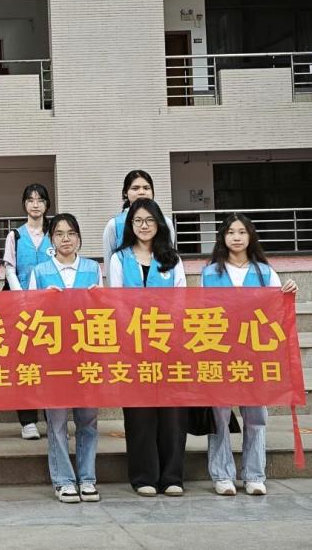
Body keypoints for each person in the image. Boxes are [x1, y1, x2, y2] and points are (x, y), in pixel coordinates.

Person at [201, 213, 298, 497]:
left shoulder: (265, 272)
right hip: (221, 352)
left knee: (256, 416)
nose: (236, 237)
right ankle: (222, 475)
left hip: (255, 355)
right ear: (223, 237)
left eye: (242, 232)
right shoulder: (210, 273)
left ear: (250, 236)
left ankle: (254, 475)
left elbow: (278, 309)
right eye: (231, 232)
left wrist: (288, 291)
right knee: (219, 416)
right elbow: (203, 312)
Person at [108, 198, 188, 497]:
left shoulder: (172, 259)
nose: (144, 226)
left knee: (173, 412)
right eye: (138, 220)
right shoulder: (119, 259)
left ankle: (172, 476)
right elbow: (116, 301)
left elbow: (181, 300)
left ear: (159, 224)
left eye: (150, 220)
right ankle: (144, 476)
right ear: (130, 225)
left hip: (169, 345)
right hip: (133, 346)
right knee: (139, 413)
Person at [28, 214, 102, 504]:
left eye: (71, 233)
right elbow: (29, 314)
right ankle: (63, 480)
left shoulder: (93, 269)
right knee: (57, 421)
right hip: (54, 358)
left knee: (88, 420)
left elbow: (104, 313)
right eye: (59, 234)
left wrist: (99, 298)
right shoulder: (40, 272)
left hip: (87, 355)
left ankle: (88, 478)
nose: (66, 239)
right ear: (51, 240)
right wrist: (43, 300)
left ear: (79, 237)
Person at [3, 183, 53, 440]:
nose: (35, 204)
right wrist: (21, 297)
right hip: (22, 308)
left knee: (52, 364)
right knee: (25, 364)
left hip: (52, 309)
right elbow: (10, 269)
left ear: (47, 204)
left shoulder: (55, 232)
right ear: (24, 204)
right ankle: (28, 420)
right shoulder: (15, 235)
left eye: (40, 200)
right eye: (30, 199)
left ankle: (54, 419)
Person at [101, 170, 176, 269]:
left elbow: (169, 256)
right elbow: (109, 263)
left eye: (146, 188)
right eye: (135, 188)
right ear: (125, 193)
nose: (141, 192)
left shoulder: (165, 222)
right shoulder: (114, 225)